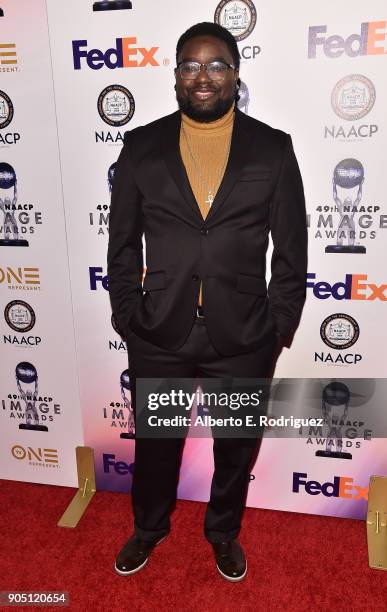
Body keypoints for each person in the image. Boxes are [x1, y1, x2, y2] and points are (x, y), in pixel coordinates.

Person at [107, 21, 307, 582]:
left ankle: (223, 533)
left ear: (235, 76)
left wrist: (278, 326)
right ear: (175, 75)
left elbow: (292, 250)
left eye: (216, 65)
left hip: (244, 335)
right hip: (159, 330)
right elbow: (120, 242)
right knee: (155, 445)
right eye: (190, 66)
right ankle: (148, 528)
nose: (203, 77)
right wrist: (128, 313)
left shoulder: (273, 148)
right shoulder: (141, 145)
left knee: (235, 447)